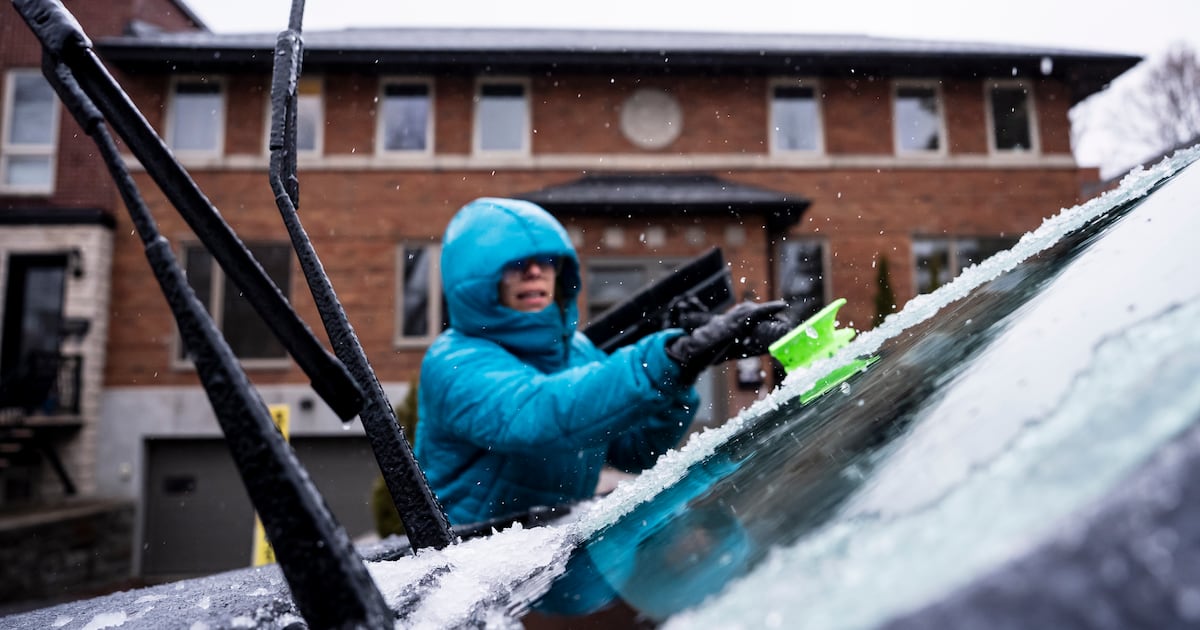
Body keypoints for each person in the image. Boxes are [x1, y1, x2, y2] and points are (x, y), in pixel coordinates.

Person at [414, 197, 788, 526]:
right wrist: (672, 356)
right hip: (474, 566)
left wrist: (683, 375)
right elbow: (538, 415)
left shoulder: (578, 352)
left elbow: (634, 451)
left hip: (555, 554)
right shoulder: (454, 361)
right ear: (475, 280)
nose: (535, 272)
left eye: (546, 260)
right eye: (516, 264)